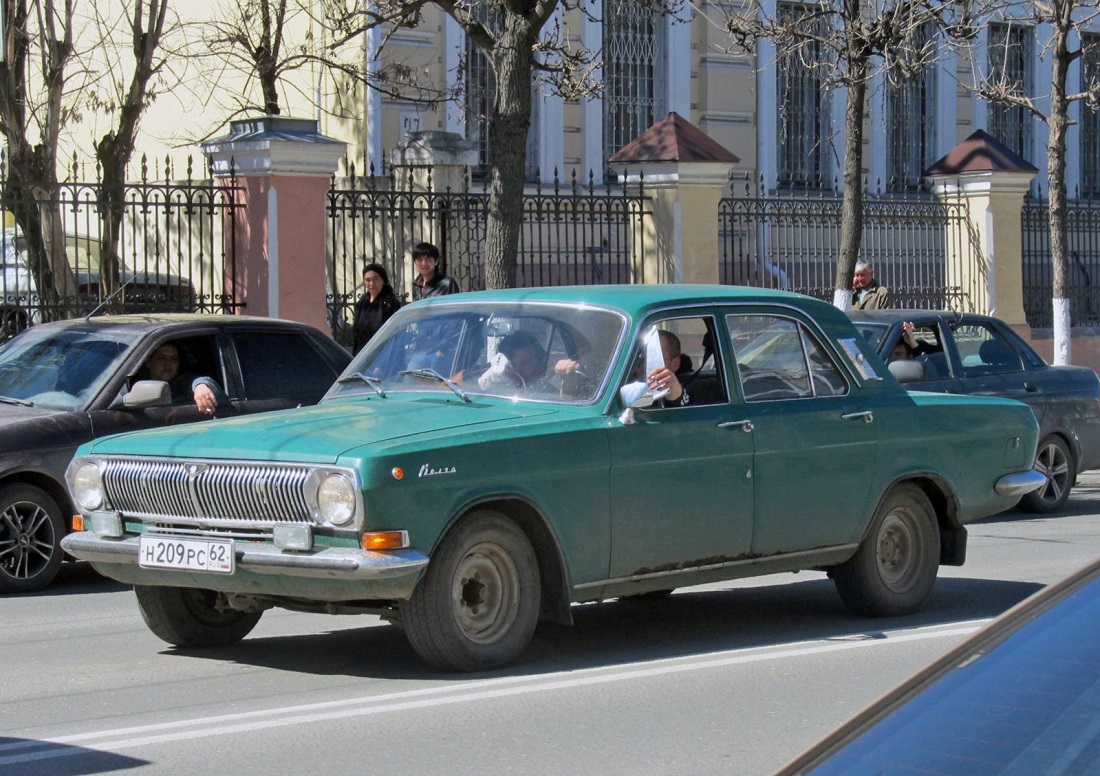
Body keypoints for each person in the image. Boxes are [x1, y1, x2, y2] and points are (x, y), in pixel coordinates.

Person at [476, 331, 581, 392]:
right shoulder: (489, 383)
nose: (518, 370)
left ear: (540, 365)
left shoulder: (546, 394)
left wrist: (569, 379)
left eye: (526, 363)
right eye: (512, 364)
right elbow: (460, 386)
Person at [142, 342, 227, 415]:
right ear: (148, 362)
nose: (168, 363)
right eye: (161, 358)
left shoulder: (182, 384)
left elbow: (194, 381)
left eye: (173, 359)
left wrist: (200, 386)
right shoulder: (132, 384)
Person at [351, 263, 401, 353]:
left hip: (382, 354)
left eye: (375, 279)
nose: (372, 284)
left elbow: (393, 334)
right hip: (362, 353)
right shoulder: (362, 302)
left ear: (383, 280)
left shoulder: (391, 303)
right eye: (368, 280)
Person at [645, 330, 690, 406]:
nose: (645, 363)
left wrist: (675, 391)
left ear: (675, 363)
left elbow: (685, 410)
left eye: (654, 358)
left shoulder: (697, 390)